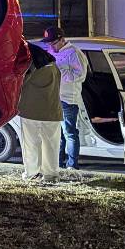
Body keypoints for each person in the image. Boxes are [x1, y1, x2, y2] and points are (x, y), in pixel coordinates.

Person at [42, 26, 89, 170]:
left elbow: (80, 75)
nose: (51, 47)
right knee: (57, 134)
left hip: (68, 99)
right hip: (53, 98)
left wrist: (60, 73)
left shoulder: (74, 53)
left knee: (70, 133)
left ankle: (72, 166)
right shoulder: (51, 51)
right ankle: (58, 164)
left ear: (62, 40)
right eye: (48, 44)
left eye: (53, 43)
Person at [18, 42, 63, 182]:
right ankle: (51, 174)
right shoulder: (54, 67)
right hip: (53, 112)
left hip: (31, 112)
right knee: (51, 145)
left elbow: (21, 85)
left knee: (31, 144)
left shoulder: (32, 68)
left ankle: (32, 173)